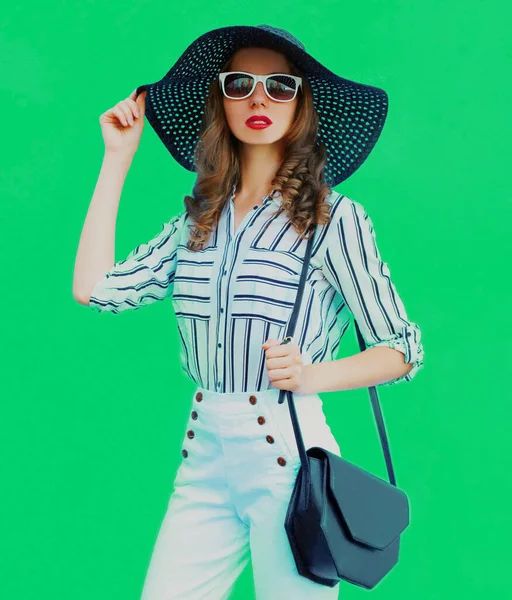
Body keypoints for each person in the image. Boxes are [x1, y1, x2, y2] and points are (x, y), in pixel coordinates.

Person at [73, 24, 424, 600]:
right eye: (240, 84)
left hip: (287, 457)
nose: (259, 98)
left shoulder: (335, 220)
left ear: (302, 104)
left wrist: (314, 375)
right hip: (204, 450)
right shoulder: (196, 222)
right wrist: (117, 160)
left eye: (279, 86)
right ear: (221, 101)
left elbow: (403, 347)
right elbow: (94, 289)